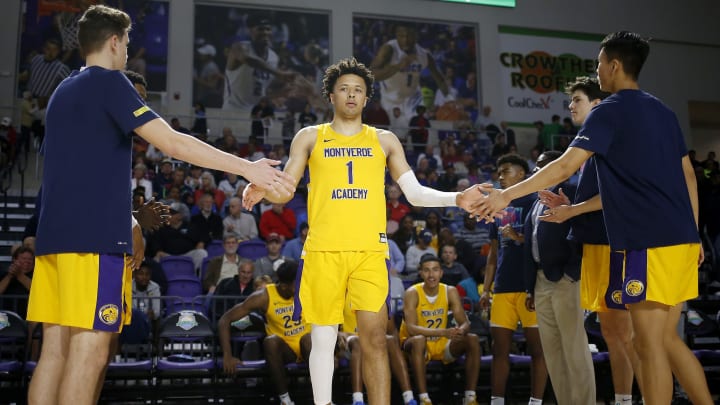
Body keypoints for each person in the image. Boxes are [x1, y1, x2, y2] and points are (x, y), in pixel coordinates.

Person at [25, 6, 294, 404]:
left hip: (53, 241)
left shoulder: (62, 92)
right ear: (115, 41)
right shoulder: (110, 82)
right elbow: (173, 143)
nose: (128, 51)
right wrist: (246, 168)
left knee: (54, 351)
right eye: (127, 43)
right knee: (90, 349)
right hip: (94, 242)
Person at [475, 31, 713, 405]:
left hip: (645, 241)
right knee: (667, 340)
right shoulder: (663, 111)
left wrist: (506, 194)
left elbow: (565, 165)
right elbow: (687, 174)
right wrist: (695, 234)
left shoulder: (609, 110)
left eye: (599, 63)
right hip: (681, 239)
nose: (597, 69)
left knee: (647, 345)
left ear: (614, 66)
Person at [242, 57, 483, 405]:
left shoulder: (385, 140)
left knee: (374, 339)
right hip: (324, 250)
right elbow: (287, 187)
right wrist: (264, 188)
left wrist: (457, 197)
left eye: (358, 90)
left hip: (370, 252)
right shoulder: (310, 136)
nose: (351, 95)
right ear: (331, 96)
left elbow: (414, 193)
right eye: (344, 89)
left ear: (367, 98)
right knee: (323, 340)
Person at [537, 77, 640, 405]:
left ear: (597, 104)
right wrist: (570, 208)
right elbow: (597, 200)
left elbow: (617, 196)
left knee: (629, 336)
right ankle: (624, 399)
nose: (571, 106)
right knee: (612, 334)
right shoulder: (592, 151)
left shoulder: (611, 143)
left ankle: (654, 397)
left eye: (577, 100)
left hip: (618, 246)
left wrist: (572, 211)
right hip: (595, 246)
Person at [522, 150, 594, 405]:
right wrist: (530, 287)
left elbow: (585, 229)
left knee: (574, 348)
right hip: (541, 280)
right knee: (552, 352)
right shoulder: (534, 201)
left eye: (542, 167)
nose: (536, 172)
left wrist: (572, 272)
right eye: (536, 168)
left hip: (566, 277)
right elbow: (531, 246)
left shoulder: (573, 190)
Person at [478, 153, 548, 405]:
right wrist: (486, 290)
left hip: (531, 286)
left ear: (522, 174)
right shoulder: (497, 206)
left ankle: (536, 402)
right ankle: (497, 401)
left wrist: (519, 239)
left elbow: (544, 243)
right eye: (498, 172)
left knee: (537, 350)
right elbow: (493, 254)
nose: (500, 176)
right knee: (499, 350)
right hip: (503, 287)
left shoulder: (535, 200)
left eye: (506, 170)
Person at [218, 260, 311, 405]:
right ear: (285, 286)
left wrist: (333, 346)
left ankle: (324, 399)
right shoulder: (264, 296)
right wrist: (227, 355)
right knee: (270, 341)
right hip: (286, 350)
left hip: (308, 346)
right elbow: (225, 320)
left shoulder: (306, 289)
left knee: (309, 339)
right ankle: (285, 400)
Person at [399, 254, 481, 405]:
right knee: (418, 340)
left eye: (435, 270)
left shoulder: (450, 291)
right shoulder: (412, 293)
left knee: (472, 339)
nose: (431, 275)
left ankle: (470, 398)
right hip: (414, 345)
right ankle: (424, 398)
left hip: (440, 343)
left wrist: (460, 331)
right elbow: (411, 329)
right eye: (427, 270)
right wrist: (442, 332)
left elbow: (465, 323)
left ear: (441, 273)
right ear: (421, 273)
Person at [339, 294, 418, 405]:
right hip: (348, 341)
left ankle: (409, 398)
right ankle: (358, 400)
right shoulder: (342, 295)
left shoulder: (376, 296)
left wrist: (394, 347)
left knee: (390, 340)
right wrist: (340, 334)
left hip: (372, 341)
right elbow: (331, 326)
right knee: (358, 342)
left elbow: (392, 330)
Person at [369, 24, 447, 120]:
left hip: (413, 99)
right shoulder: (389, 50)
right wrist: (399, 66)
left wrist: (449, 98)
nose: (405, 40)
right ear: (396, 36)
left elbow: (440, 79)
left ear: (416, 36)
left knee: (420, 129)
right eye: (401, 36)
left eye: (409, 36)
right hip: (390, 100)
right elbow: (371, 75)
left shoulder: (424, 55)